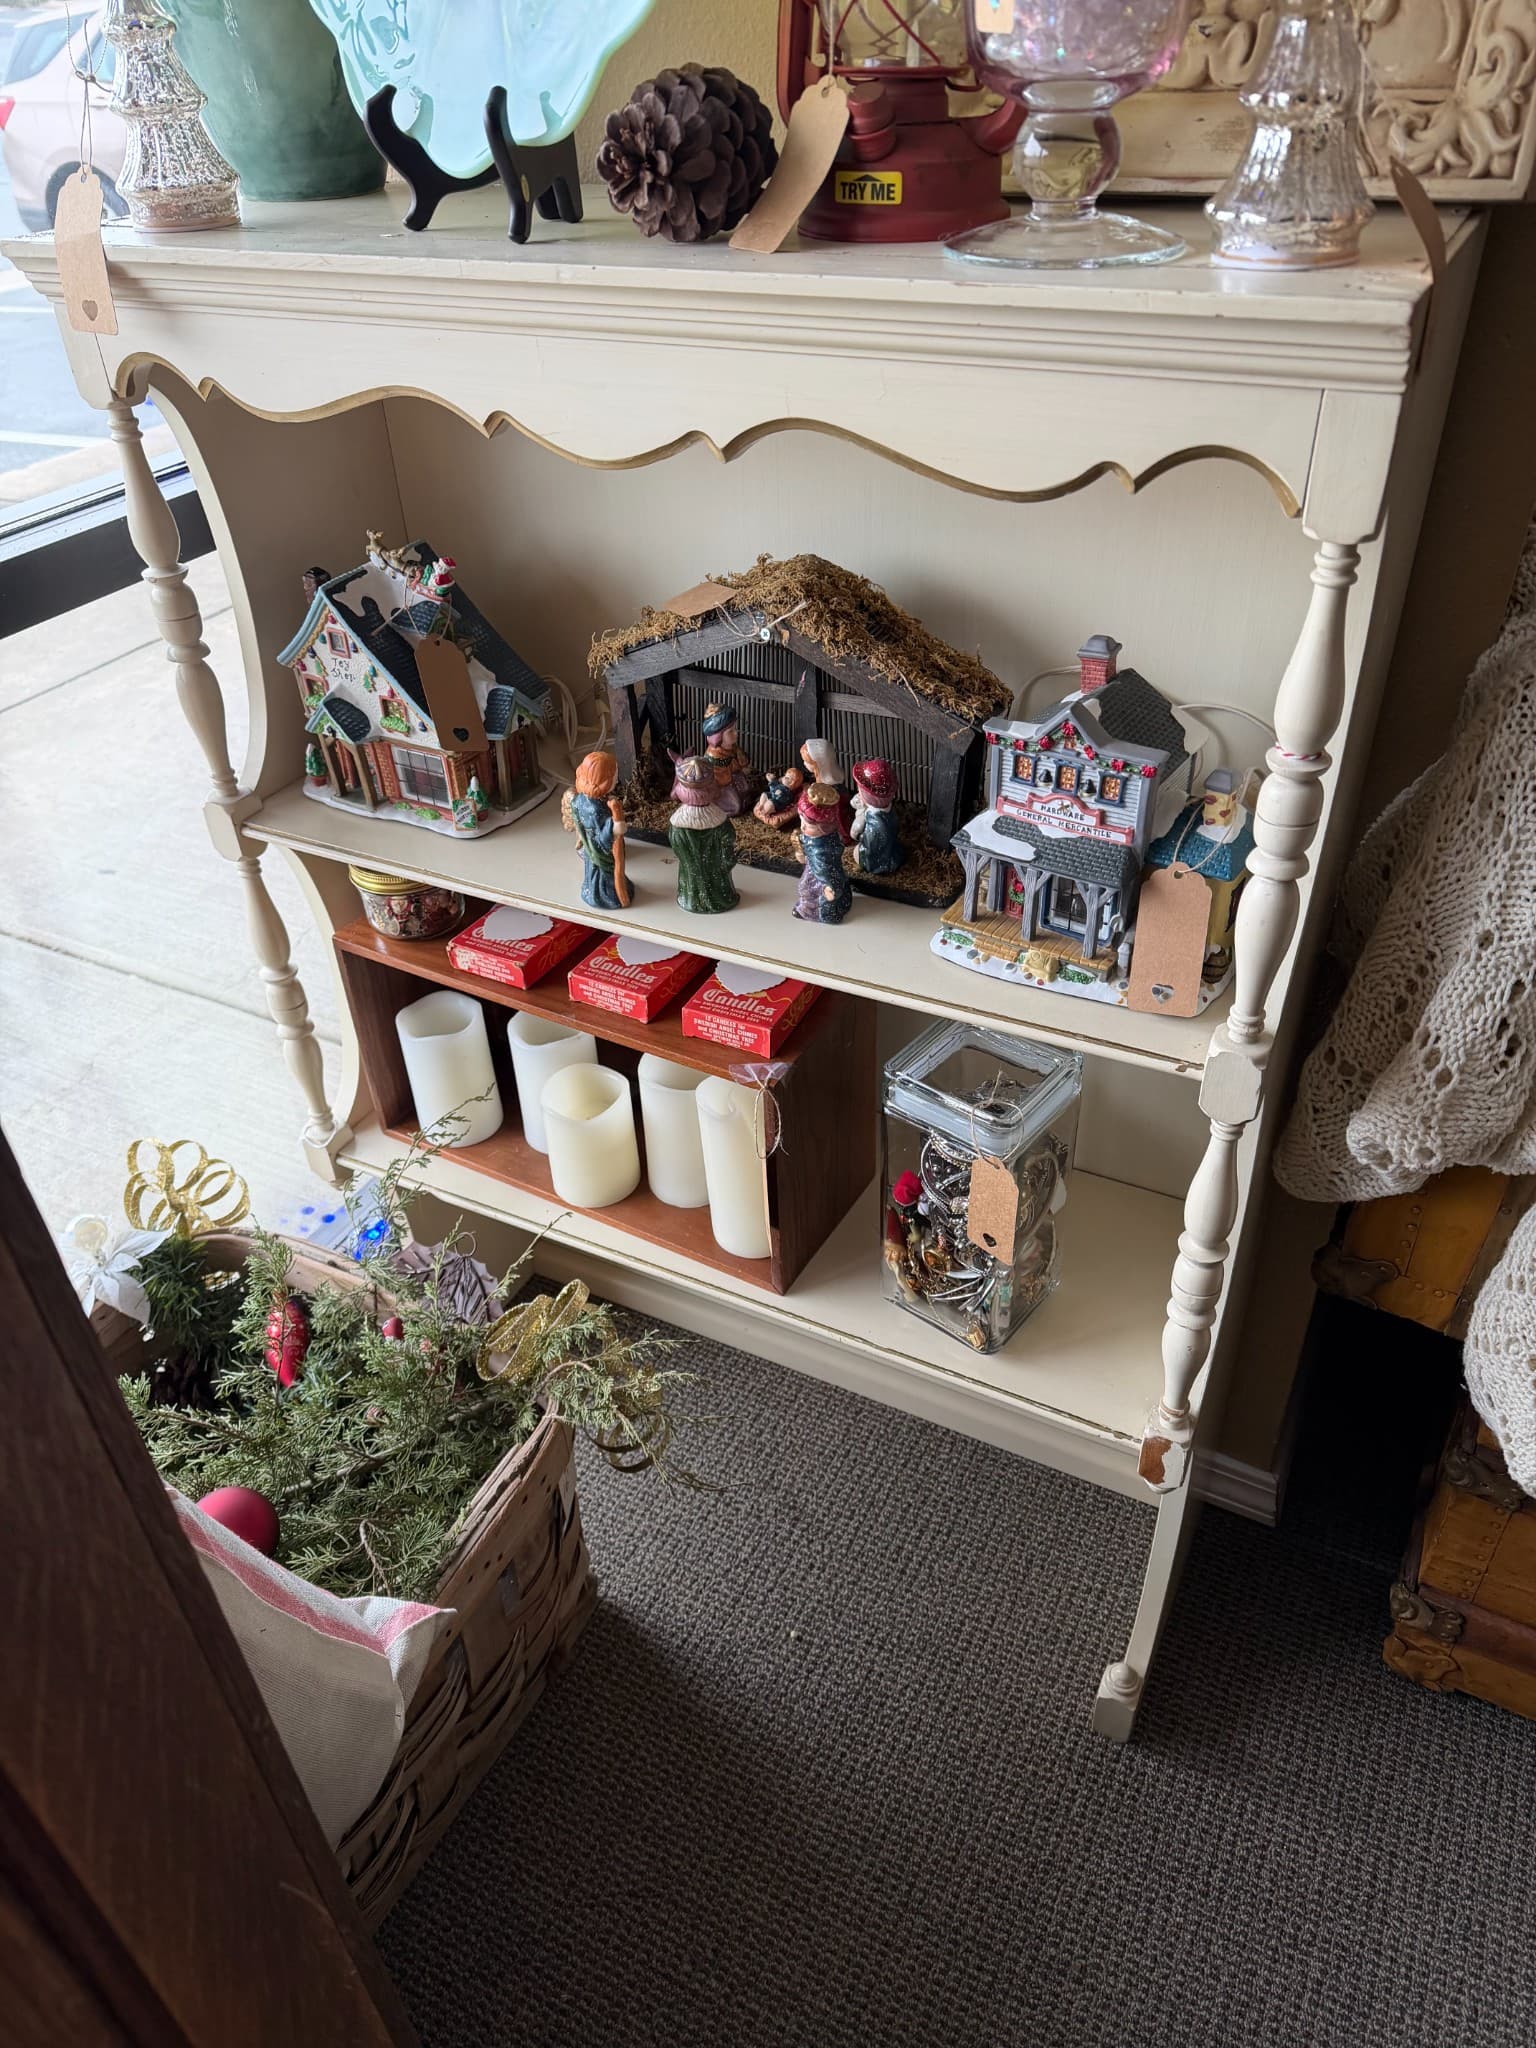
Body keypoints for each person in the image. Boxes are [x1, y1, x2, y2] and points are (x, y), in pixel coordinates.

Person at [669, 756, 739, 914]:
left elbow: (676, 846)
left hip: (690, 874)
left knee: (691, 876)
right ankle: (718, 899)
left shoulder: (677, 823)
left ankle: (691, 899)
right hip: (715, 870)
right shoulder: (718, 819)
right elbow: (729, 838)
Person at [561, 749, 629, 910]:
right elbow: (603, 839)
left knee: (592, 870)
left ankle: (592, 889)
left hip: (590, 849)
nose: (616, 779)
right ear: (604, 780)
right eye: (614, 775)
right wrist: (615, 825)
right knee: (605, 875)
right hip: (599, 852)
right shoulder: (596, 809)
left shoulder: (579, 800)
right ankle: (607, 896)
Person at [793, 782, 854, 925]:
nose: (802, 826)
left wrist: (829, 886)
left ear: (824, 828)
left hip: (820, 876)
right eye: (800, 819)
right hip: (816, 868)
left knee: (806, 889)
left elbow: (825, 869)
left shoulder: (821, 851)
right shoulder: (819, 837)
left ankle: (811, 912)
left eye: (808, 825)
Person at [851, 757, 902, 875]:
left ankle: (874, 869)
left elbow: (862, 839)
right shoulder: (889, 811)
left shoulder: (875, 824)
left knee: (856, 853)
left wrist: (860, 833)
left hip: (877, 859)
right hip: (890, 849)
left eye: (860, 791)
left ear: (868, 796)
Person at [700, 702, 753, 817]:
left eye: (735, 729)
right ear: (718, 736)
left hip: (734, 779)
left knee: (747, 790)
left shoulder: (732, 747)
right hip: (721, 787)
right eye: (731, 731)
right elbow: (721, 778)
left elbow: (741, 761)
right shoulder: (714, 755)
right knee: (735, 806)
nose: (736, 733)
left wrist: (741, 766)